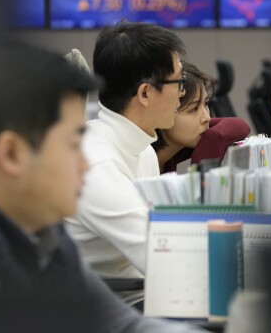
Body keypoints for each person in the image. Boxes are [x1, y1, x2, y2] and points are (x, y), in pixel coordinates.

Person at [0, 45, 204, 333]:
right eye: (73, 143)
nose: (85, 164)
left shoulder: (40, 230)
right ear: (12, 153)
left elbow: (123, 324)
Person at [66, 22, 186, 301]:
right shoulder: (97, 165)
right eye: (178, 82)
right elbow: (164, 258)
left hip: (141, 299)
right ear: (145, 94)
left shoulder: (142, 148)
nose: (182, 93)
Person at [152, 61, 251, 173]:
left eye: (206, 104)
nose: (207, 117)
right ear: (164, 112)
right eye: (193, 109)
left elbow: (239, 125)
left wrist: (212, 139)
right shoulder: (140, 167)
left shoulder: (175, 147)